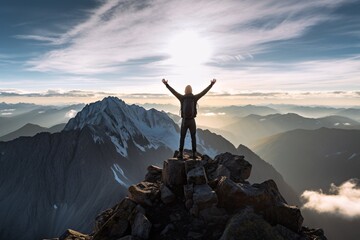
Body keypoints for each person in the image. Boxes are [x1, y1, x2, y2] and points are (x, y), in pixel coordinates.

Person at [162, 78, 216, 159]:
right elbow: (204, 92)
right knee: (193, 137)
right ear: (191, 90)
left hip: (184, 121)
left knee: (182, 137)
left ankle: (180, 153)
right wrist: (211, 84)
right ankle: (194, 153)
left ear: (185, 90)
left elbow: (173, 92)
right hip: (192, 121)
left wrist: (166, 84)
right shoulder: (194, 97)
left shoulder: (182, 98)